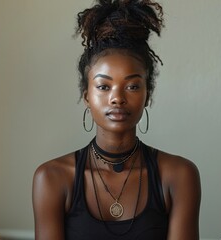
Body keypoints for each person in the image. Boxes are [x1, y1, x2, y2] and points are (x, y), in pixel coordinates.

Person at [32, 0, 201, 239]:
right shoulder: (52, 178)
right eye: (103, 86)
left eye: (132, 86)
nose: (117, 98)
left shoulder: (179, 175)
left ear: (147, 96)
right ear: (87, 97)